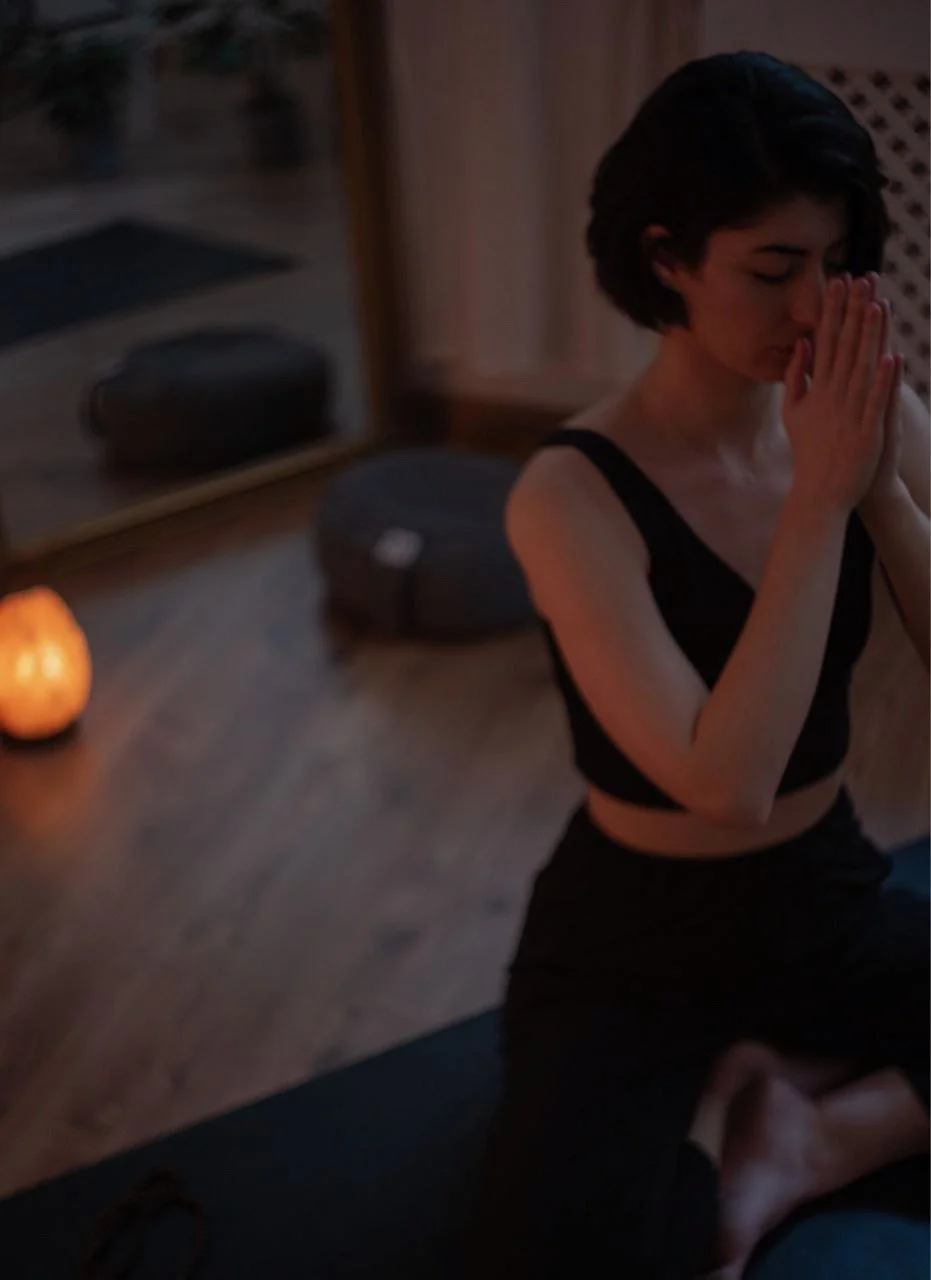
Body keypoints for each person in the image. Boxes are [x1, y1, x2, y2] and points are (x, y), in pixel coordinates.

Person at [461, 50, 930, 1280]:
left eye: (835, 265)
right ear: (666, 258)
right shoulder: (567, 494)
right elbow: (724, 781)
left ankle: (813, 1130)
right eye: (773, 270)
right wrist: (821, 504)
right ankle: (729, 1104)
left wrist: (882, 498)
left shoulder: (857, 410)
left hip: (822, 890)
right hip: (633, 931)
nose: (816, 308)